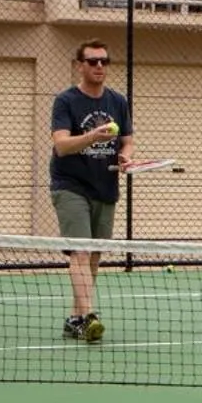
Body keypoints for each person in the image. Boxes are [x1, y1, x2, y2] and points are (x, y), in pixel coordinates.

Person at [48, 40, 133, 342]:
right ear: (79, 65)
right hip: (70, 185)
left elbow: (127, 139)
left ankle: (76, 318)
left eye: (104, 61)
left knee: (94, 256)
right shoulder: (66, 101)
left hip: (105, 185)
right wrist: (93, 136)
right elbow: (61, 145)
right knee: (81, 252)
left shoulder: (118, 102)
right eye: (93, 61)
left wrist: (125, 156)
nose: (99, 66)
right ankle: (90, 317)